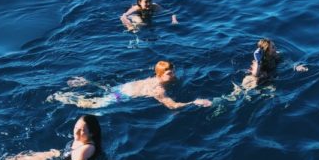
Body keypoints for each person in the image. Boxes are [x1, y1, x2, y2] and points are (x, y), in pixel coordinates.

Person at [48, 60, 213, 109]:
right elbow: (172, 105)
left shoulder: (158, 79)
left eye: (173, 71)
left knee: (106, 89)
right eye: (169, 73)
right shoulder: (158, 88)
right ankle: (60, 97)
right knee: (91, 105)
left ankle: (86, 82)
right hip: (122, 95)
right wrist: (194, 102)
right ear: (160, 75)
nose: (173, 74)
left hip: (122, 87)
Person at [242, 38, 308, 89]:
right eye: (273, 47)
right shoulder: (259, 60)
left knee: (270, 84)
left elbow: (287, 62)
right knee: (254, 78)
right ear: (267, 51)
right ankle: (238, 91)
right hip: (260, 75)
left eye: (274, 46)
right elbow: (255, 74)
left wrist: (296, 66)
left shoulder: (277, 55)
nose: (276, 48)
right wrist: (258, 63)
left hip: (270, 77)